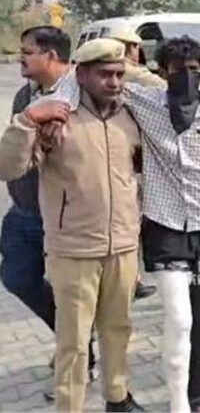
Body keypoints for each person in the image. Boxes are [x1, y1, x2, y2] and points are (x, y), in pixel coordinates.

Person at [45, 36, 200, 413]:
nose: (186, 76)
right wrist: (58, 110)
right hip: (165, 225)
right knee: (180, 319)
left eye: (194, 69)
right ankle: (178, 404)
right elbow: (80, 76)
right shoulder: (143, 101)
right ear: (163, 72)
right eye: (178, 70)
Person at [0, 38, 145, 412]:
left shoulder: (130, 116)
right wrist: (28, 122)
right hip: (74, 249)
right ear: (81, 75)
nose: (114, 82)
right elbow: (7, 167)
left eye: (119, 74)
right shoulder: (55, 117)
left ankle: (117, 399)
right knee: (74, 341)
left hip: (123, 245)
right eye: (104, 74)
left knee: (118, 329)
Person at [0, 26, 99, 395]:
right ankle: (72, 337)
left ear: (52, 56)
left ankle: (80, 359)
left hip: (64, 215)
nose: (21, 57)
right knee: (17, 278)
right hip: (24, 209)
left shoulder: (82, 92)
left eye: (28, 52)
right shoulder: (25, 95)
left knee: (71, 294)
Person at [108, 27, 161, 302]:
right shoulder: (129, 72)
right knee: (130, 221)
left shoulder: (92, 72)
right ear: (129, 47)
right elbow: (165, 88)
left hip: (117, 155)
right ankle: (129, 281)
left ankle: (131, 278)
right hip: (130, 158)